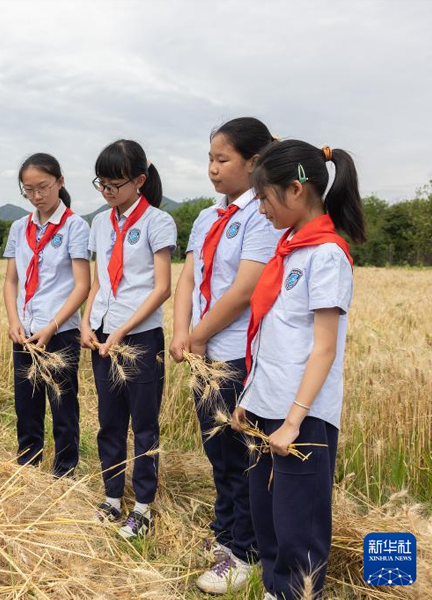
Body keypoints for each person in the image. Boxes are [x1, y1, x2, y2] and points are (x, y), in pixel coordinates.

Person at [232, 140, 366, 600]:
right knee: (268, 518)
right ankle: (275, 591)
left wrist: (293, 421)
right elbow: (272, 337)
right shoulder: (289, 250)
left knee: (298, 528)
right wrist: (249, 399)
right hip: (267, 408)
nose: (261, 209)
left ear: (295, 189)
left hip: (301, 417)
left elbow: (323, 349)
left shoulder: (326, 255)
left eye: (264, 197)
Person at [168, 117, 279, 593]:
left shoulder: (261, 214)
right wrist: (182, 332)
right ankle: (226, 535)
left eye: (222, 159)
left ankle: (245, 553)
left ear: (253, 162)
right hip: (203, 353)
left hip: (236, 354)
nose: (212, 168)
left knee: (241, 454)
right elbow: (188, 279)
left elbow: (246, 288)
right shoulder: (207, 217)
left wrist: (198, 334)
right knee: (217, 451)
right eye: (209, 159)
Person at [80, 140, 176, 539]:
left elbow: (162, 288)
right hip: (103, 334)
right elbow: (99, 280)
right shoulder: (100, 223)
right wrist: (87, 321)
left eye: (114, 184)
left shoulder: (158, 222)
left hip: (140, 336)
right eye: (101, 183)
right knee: (110, 421)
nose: (106, 191)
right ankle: (112, 498)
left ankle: (143, 507)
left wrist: (122, 330)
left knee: (144, 424)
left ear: (139, 180)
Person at [3, 153, 90, 477]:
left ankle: (64, 472)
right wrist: (14, 321)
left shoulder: (75, 227)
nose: (37, 196)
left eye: (43, 187)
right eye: (29, 190)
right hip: (25, 331)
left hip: (60, 331)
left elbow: (82, 285)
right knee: (26, 406)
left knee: (63, 406)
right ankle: (28, 468)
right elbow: (10, 281)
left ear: (60, 182)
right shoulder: (19, 228)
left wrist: (52, 326)